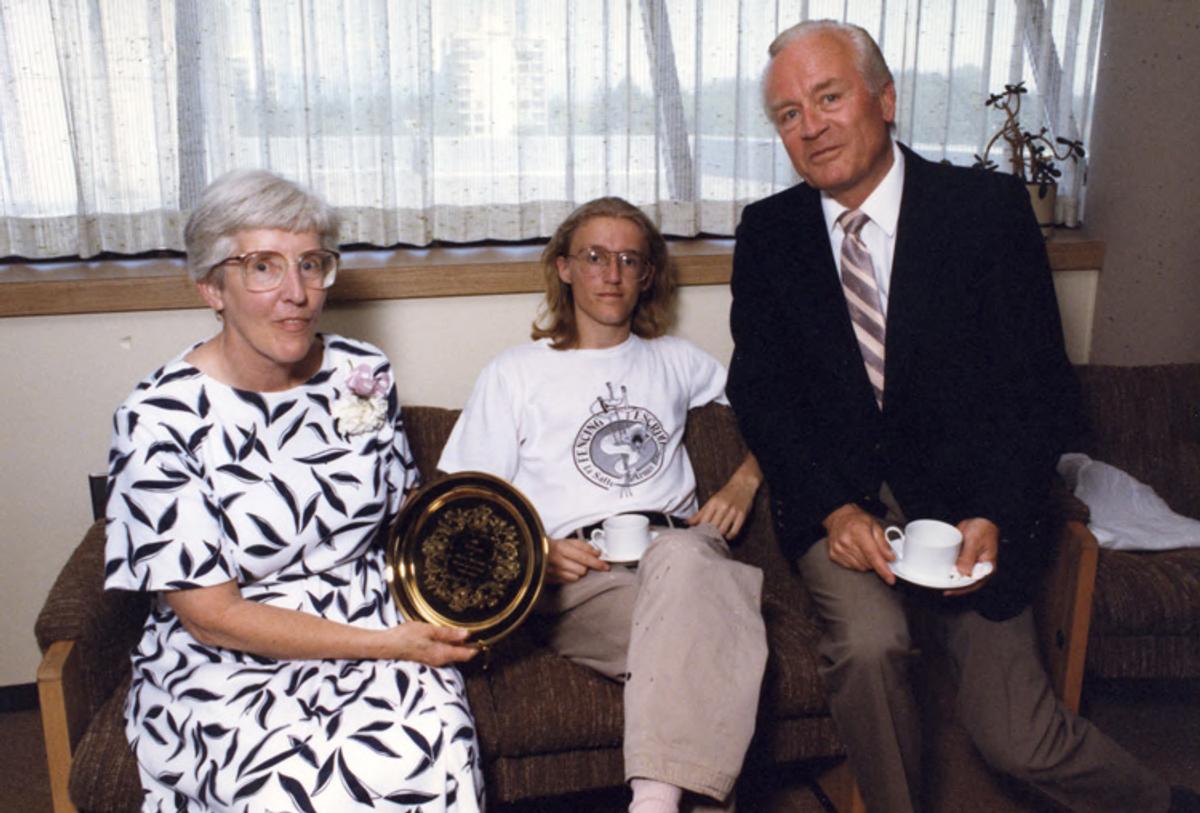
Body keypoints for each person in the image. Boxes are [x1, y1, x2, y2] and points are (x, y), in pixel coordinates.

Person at [727, 19, 1194, 813]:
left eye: (829, 96)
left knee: (1018, 733)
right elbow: (763, 395)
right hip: (842, 505)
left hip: (970, 508)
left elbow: (1040, 387)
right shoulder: (768, 234)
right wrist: (834, 507)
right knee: (871, 648)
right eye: (787, 114)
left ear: (886, 98)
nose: (810, 126)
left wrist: (997, 514)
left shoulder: (986, 211)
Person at [103, 169, 484, 811]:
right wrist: (390, 646)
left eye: (311, 264)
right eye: (262, 267)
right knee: (285, 786)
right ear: (210, 286)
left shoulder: (362, 371)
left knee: (434, 753)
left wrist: (518, 552)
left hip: (370, 608)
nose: (297, 293)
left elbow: (406, 519)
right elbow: (212, 616)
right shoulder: (157, 417)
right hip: (229, 651)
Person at [437, 197, 767, 813]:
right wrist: (535, 552)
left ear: (646, 275)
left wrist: (744, 481)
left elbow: (782, 420)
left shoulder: (676, 359)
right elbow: (463, 506)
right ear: (564, 267)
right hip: (583, 577)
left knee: (688, 563)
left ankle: (654, 800)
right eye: (594, 257)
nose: (611, 274)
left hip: (683, 546)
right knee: (715, 639)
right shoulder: (515, 373)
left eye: (628, 259)